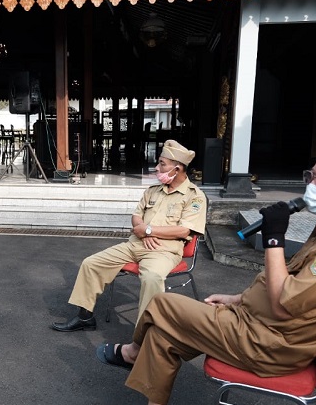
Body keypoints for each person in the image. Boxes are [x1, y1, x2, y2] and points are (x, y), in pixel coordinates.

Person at [96, 137, 316, 405]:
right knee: (163, 332)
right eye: (310, 177)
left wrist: (274, 239)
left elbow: (283, 304)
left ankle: (132, 352)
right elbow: (294, 291)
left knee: (162, 304)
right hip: (263, 326)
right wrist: (238, 300)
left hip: (270, 344)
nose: (312, 186)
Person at [51, 140, 207, 332]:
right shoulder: (153, 191)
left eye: (162, 164)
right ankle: (85, 317)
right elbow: (136, 216)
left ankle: (146, 333)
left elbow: (184, 230)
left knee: (152, 277)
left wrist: (148, 230)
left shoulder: (194, 196)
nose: (157, 168)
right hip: (135, 244)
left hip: (163, 251)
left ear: (177, 168)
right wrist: (144, 231)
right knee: (91, 263)